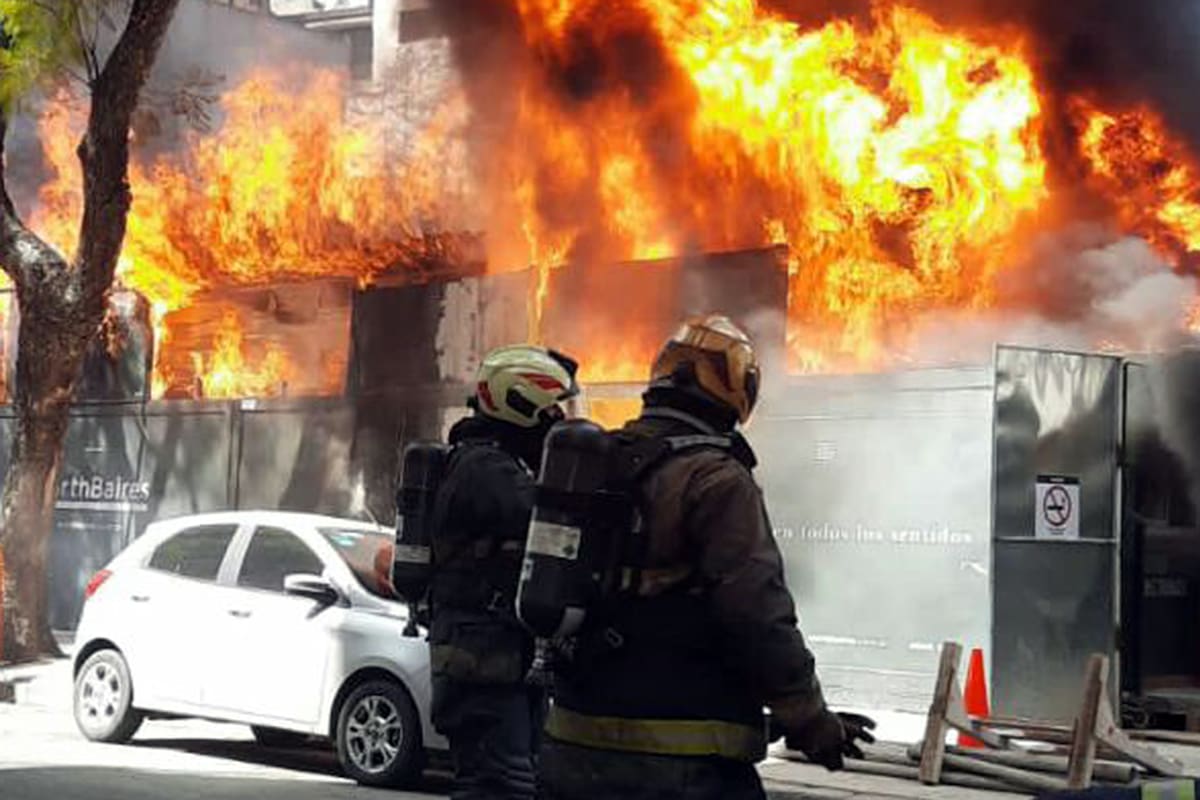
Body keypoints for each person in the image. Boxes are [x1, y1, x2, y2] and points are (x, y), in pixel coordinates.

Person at [538, 314, 874, 800]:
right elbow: (757, 612)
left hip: (570, 743)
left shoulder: (598, 460)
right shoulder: (715, 479)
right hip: (680, 763)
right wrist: (810, 720)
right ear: (736, 386)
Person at [428, 344, 580, 800]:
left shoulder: (494, 461)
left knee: (505, 783)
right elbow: (545, 518)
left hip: (494, 660)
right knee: (501, 787)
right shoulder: (487, 470)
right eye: (551, 408)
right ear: (522, 404)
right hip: (482, 667)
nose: (559, 418)